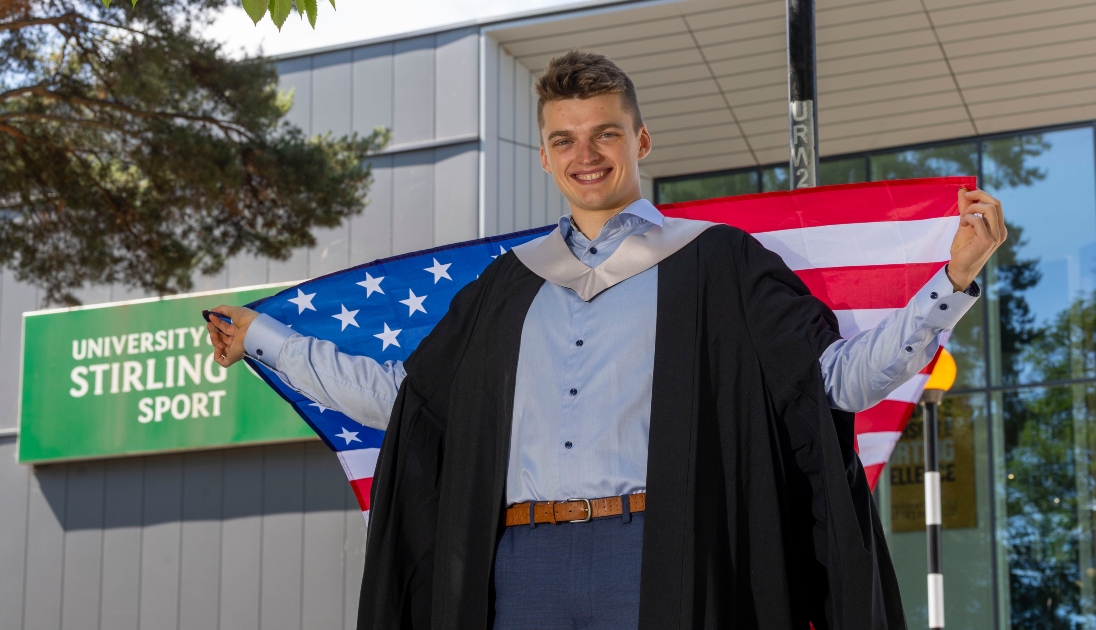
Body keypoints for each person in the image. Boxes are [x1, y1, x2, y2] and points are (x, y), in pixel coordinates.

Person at [207, 50, 1005, 630]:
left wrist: (952, 283)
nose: (584, 156)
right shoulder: (505, 289)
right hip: (517, 568)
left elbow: (840, 382)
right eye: (563, 139)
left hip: (658, 558)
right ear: (547, 153)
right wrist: (266, 340)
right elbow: (401, 399)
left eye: (604, 134)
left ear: (641, 141)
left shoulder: (717, 266)